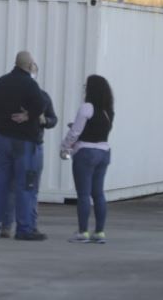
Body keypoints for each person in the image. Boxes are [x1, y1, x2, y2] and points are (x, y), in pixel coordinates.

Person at [0, 51, 46, 241]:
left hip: (2, 140)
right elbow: (40, 104)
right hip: (24, 142)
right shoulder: (30, 84)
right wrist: (27, 116)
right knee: (25, 185)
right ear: (29, 65)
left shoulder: (2, 82)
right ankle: (24, 229)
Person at [1, 63, 58, 238]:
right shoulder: (17, 95)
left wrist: (44, 121)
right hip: (27, 146)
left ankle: (23, 224)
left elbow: (53, 119)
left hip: (29, 143)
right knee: (24, 187)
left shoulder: (43, 97)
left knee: (22, 187)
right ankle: (16, 226)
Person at [60, 74, 115, 245]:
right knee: (98, 193)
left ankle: (82, 232)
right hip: (104, 152)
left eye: (86, 86)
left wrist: (64, 147)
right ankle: (99, 232)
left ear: (91, 90)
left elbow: (75, 132)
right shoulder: (108, 111)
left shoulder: (86, 108)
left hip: (86, 152)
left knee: (83, 194)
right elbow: (98, 129)